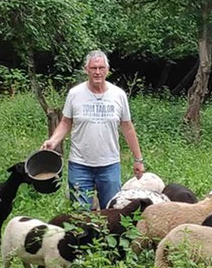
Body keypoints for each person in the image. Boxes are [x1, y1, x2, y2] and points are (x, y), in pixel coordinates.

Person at [41, 50, 145, 209]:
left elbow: (127, 127)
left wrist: (138, 159)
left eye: (101, 68)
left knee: (112, 212)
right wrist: (53, 141)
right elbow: (65, 122)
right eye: (94, 68)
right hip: (79, 165)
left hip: (109, 165)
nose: (98, 72)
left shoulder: (118, 95)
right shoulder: (75, 94)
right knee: (81, 215)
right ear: (86, 69)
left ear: (107, 70)